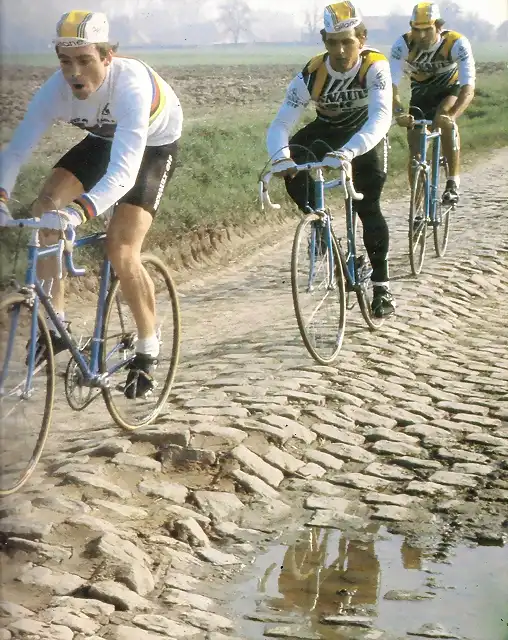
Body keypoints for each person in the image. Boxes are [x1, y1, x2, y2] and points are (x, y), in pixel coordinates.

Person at [0, 10, 183, 399]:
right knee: (44, 209)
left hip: (150, 147)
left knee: (120, 248)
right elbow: (16, 151)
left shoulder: (130, 86)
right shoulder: (56, 89)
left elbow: (123, 173)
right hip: (101, 140)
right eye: (66, 61)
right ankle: (56, 331)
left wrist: (78, 211)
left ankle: (148, 349)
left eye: (85, 60)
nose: (74, 72)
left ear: (107, 56)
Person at [266, 1, 395, 318]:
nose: (340, 50)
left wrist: (349, 151)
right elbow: (281, 124)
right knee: (293, 163)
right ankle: (321, 226)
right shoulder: (311, 74)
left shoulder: (374, 66)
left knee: (368, 206)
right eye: (332, 42)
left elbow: (380, 118)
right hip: (326, 131)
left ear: (361, 40)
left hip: (363, 136)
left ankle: (381, 287)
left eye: (347, 41)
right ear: (324, 41)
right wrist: (280, 158)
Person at [389, 2, 476, 203]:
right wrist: (399, 112)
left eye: (427, 30)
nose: (420, 36)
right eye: (415, 30)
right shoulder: (402, 45)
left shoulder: (456, 43)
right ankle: (417, 207)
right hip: (421, 94)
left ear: (438, 27)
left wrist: (453, 116)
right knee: (415, 151)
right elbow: (391, 86)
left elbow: (468, 88)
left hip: (449, 89)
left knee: (443, 116)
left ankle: (452, 183)